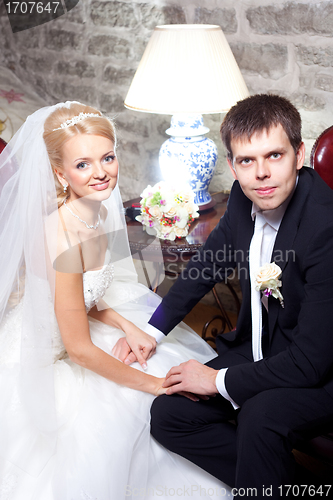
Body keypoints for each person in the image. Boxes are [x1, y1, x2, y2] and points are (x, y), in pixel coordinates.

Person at [0, 102, 231, 499]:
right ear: (59, 172)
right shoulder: (61, 235)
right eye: (83, 164)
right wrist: (154, 385)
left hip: (74, 329)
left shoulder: (93, 209)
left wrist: (129, 325)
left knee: (156, 351)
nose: (101, 172)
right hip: (50, 356)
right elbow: (79, 349)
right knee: (133, 407)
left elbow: (80, 302)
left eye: (107, 157)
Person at [116, 94, 333, 498]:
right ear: (232, 166)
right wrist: (152, 330)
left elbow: (311, 363)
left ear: (299, 154)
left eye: (275, 156)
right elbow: (206, 266)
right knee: (170, 414)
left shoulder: (325, 226)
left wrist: (216, 379)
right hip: (266, 346)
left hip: (322, 367)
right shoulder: (240, 196)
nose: (262, 174)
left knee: (260, 416)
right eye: (247, 161)